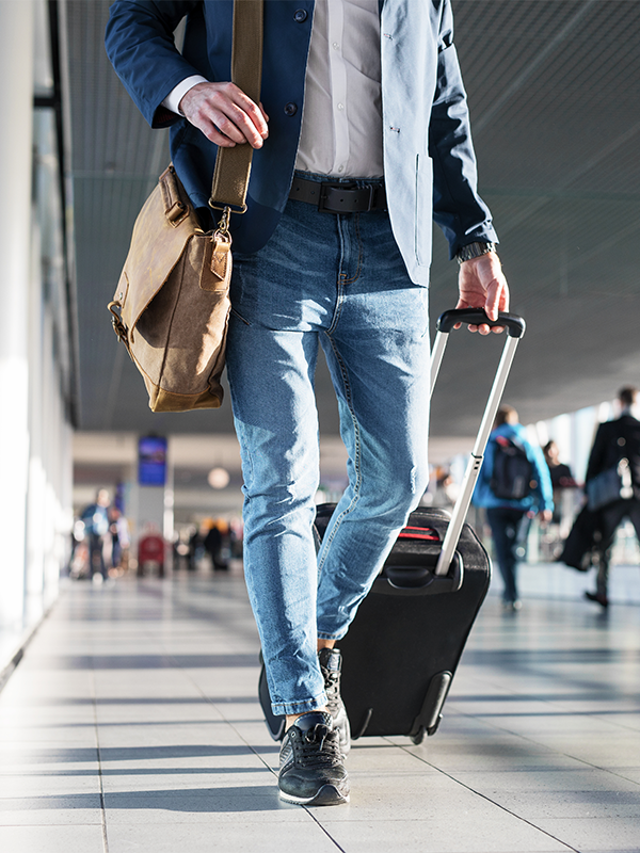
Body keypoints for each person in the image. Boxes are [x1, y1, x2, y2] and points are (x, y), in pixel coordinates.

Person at [105, 0, 510, 806]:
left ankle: (318, 631)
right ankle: (305, 715)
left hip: (391, 247)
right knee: (280, 480)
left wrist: (475, 237)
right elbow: (130, 22)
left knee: (395, 478)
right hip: (267, 232)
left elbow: (443, 101)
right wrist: (187, 90)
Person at [473, 406, 553, 611]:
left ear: (496, 423)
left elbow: (480, 474)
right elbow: (541, 473)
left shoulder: (490, 442)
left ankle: (510, 593)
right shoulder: (527, 442)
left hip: (495, 504)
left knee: (501, 548)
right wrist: (546, 505)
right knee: (514, 548)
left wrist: (480, 501)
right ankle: (512, 591)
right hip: (523, 505)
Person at [583, 386, 640, 608]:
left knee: (606, 546)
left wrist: (588, 491)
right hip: (638, 495)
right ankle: (601, 591)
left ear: (619, 403)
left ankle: (602, 592)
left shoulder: (607, 428)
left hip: (612, 496)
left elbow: (594, 460)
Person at [80, 489, 112, 582]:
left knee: (104, 555)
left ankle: (104, 574)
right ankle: (90, 574)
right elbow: (83, 518)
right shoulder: (91, 508)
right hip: (92, 533)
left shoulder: (107, 509)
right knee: (91, 554)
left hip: (103, 534)